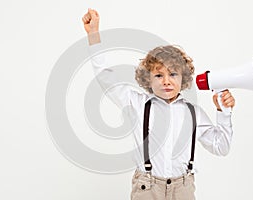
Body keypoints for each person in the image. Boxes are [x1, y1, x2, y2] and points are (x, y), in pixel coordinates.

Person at [82, 8, 235, 200]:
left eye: (173, 74)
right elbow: (105, 77)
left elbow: (221, 147)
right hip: (147, 187)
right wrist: (94, 35)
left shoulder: (193, 112)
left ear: (183, 78)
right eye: (158, 75)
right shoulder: (136, 103)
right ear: (148, 79)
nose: (166, 81)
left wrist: (223, 112)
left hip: (183, 188)